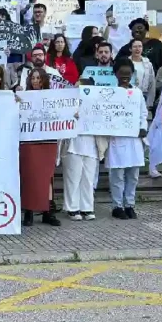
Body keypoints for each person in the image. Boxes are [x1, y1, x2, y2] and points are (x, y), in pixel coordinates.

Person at [106, 58, 148, 219]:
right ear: (115, 74)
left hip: (134, 139)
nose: (125, 77)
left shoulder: (137, 93)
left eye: (128, 74)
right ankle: (117, 206)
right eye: (121, 74)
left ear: (132, 74)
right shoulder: (110, 93)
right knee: (117, 175)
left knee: (133, 175)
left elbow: (143, 113)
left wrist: (143, 127)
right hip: (117, 139)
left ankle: (130, 204)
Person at [18, 68, 60, 227]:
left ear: (44, 80)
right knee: (29, 175)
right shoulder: (23, 96)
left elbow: (62, 113)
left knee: (47, 177)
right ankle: (28, 211)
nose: (35, 81)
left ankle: (47, 211)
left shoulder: (53, 97)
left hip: (47, 141)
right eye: (33, 78)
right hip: (29, 141)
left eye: (38, 78)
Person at [61, 78, 99, 221]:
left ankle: (87, 207)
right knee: (73, 177)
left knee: (88, 178)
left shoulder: (97, 104)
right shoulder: (68, 104)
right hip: (73, 144)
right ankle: (72, 207)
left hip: (92, 144)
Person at [127, 38, 157, 109]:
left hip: (143, 95)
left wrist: (150, 102)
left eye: (140, 46)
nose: (137, 49)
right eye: (135, 47)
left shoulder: (148, 64)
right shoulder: (126, 62)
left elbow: (152, 83)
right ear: (130, 49)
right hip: (129, 94)